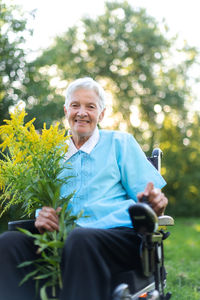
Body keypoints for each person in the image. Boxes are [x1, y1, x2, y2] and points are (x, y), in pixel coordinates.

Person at [0, 77, 168, 300]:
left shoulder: (120, 143)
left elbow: (152, 200)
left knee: (80, 239)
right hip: (61, 240)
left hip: (117, 238)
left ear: (101, 114)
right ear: (66, 110)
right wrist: (43, 218)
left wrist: (155, 202)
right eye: (75, 105)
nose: (82, 112)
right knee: (8, 243)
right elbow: (44, 201)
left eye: (90, 106)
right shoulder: (51, 152)